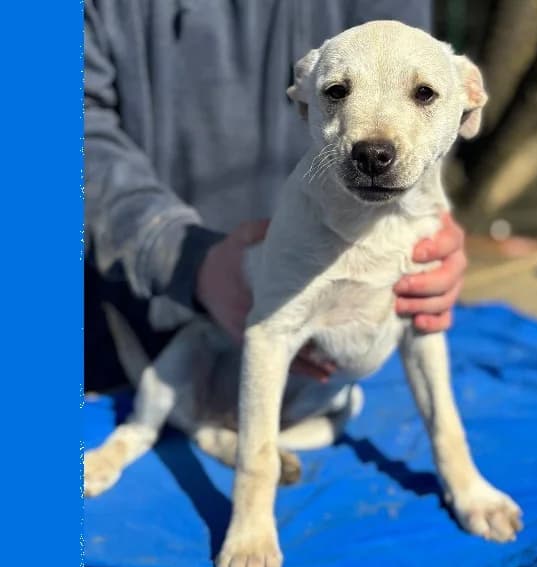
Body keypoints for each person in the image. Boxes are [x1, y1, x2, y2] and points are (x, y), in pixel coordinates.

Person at [84, 1, 468, 391]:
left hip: (323, 361)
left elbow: (422, 107)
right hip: (129, 315)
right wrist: (179, 255)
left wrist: (427, 221)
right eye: (337, 91)